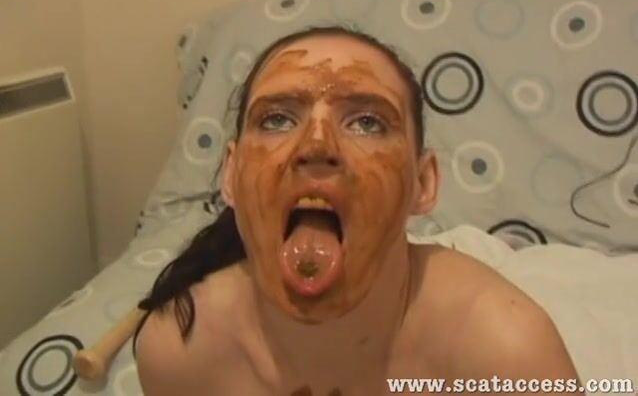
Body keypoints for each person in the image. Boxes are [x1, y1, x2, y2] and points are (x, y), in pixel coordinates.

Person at [134, 26, 581, 395]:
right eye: (277, 119)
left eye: (367, 122)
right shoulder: (179, 352)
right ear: (231, 175)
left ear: (423, 184)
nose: (316, 145)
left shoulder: (508, 356)